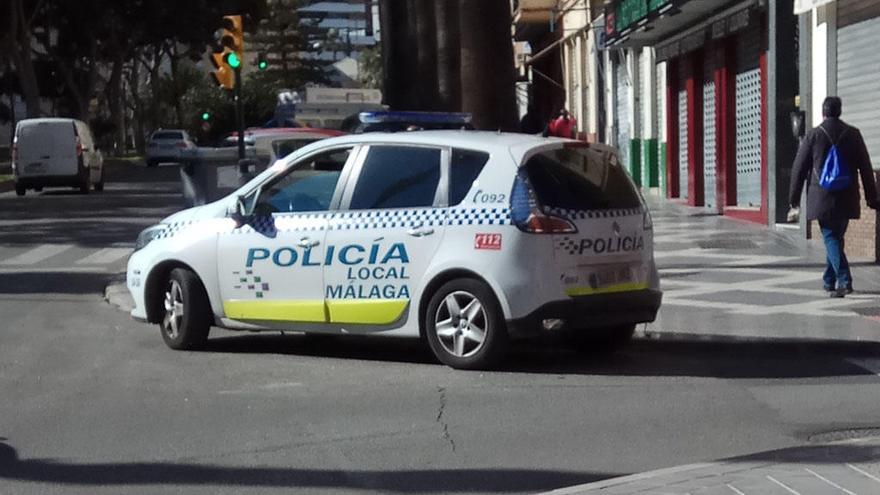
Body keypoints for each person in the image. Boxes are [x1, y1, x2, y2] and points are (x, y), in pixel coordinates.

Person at [789, 96, 879, 298]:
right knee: (836, 238)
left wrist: (793, 199)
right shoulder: (854, 134)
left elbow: (798, 168)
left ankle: (844, 280)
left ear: (823, 112)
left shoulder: (813, 135)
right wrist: (872, 198)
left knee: (830, 238)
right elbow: (865, 167)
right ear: (840, 111)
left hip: (822, 198)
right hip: (847, 197)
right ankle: (829, 280)